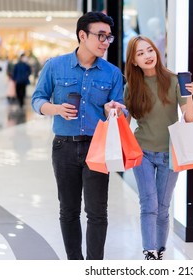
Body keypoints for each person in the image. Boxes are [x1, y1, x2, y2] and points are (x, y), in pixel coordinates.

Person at [31, 11, 125, 260]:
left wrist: (112, 110)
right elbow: (37, 99)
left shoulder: (113, 73)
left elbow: (121, 111)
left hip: (97, 147)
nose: (105, 42)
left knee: (97, 212)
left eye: (109, 37)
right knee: (69, 210)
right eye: (100, 35)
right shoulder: (55, 65)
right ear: (82, 35)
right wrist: (57, 109)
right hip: (64, 147)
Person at [124, 35, 193, 260]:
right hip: (142, 153)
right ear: (134, 61)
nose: (147, 56)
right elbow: (125, 124)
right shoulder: (131, 87)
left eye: (149, 50)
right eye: (140, 53)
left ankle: (159, 249)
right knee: (149, 203)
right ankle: (150, 251)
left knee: (163, 205)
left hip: (170, 152)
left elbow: (190, 121)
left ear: (156, 53)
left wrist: (188, 96)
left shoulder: (174, 80)